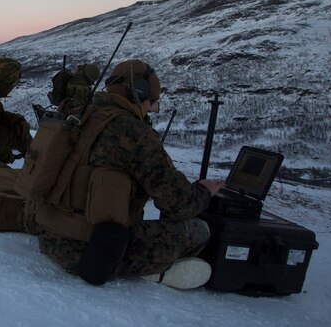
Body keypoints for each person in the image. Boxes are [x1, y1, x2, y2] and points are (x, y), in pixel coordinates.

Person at [37, 59, 225, 290]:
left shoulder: (76, 112)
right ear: (138, 94)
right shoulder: (134, 133)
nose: (150, 110)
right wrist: (204, 191)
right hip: (89, 250)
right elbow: (178, 204)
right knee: (198, 231)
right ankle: (148, 270)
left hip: (48, 237)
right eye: (152, 103)